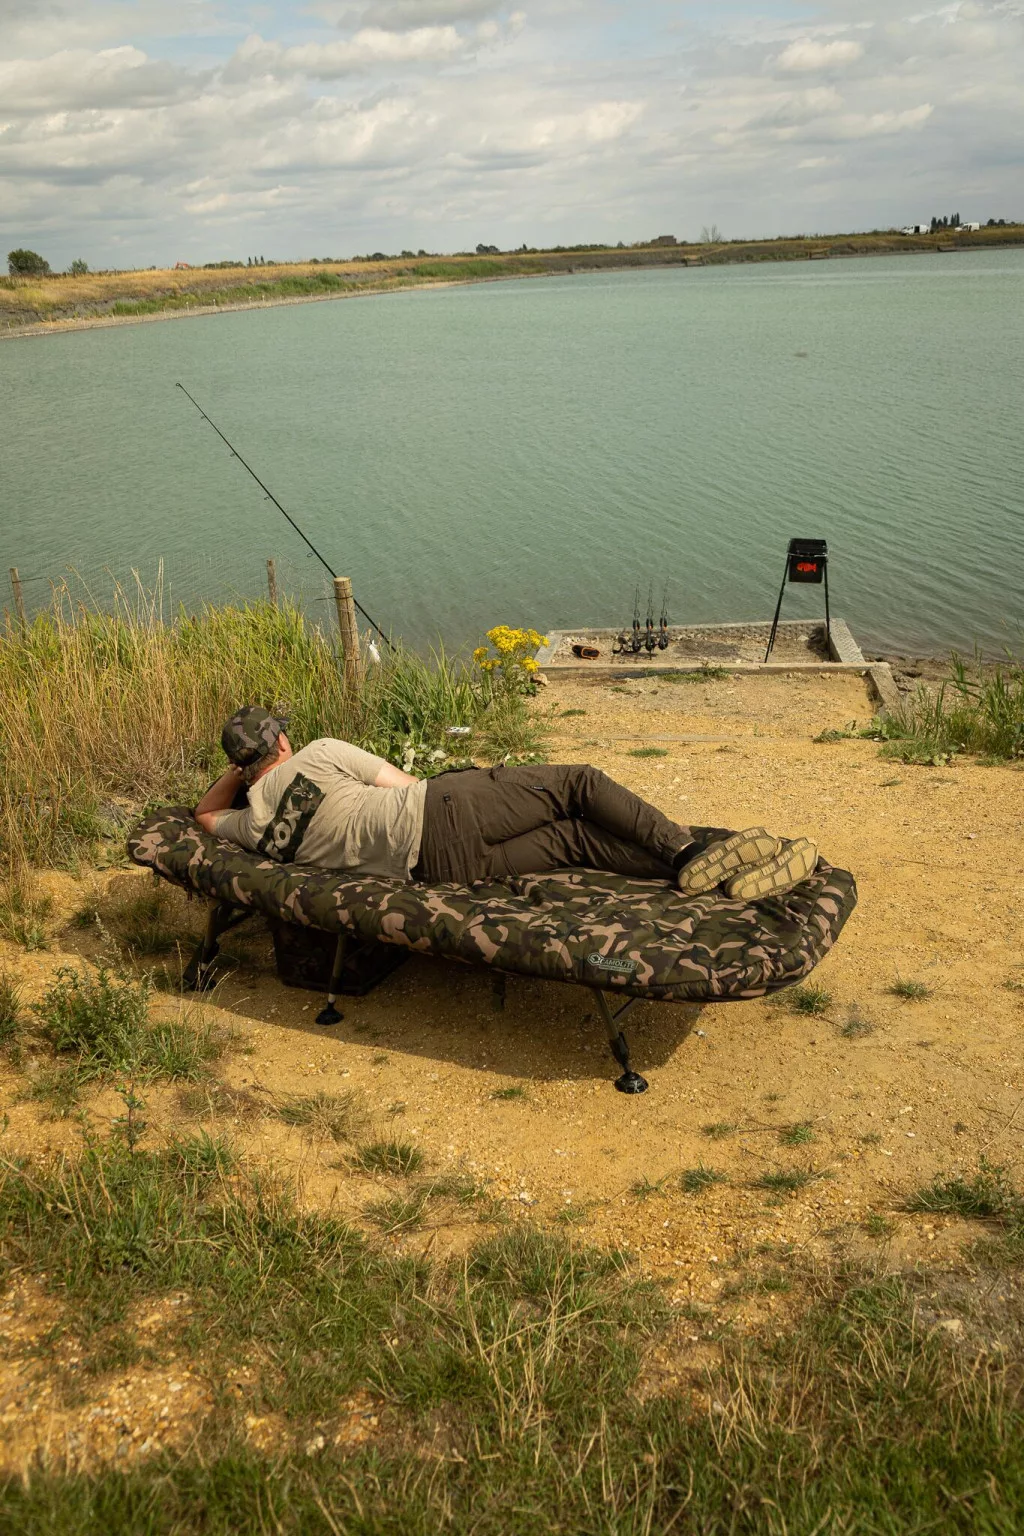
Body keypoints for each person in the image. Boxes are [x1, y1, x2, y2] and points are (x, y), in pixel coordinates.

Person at [195, 706, 817, 898]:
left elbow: (203, 814)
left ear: (245, 767)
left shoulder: (254, 827)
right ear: (281, 741)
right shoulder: (320, 752)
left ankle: (711, 876)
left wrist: (241, 773)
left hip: (441, 871)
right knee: (577, 786)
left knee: (575, 840)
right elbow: (403, 784)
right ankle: (688, 852)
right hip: (440, 812)